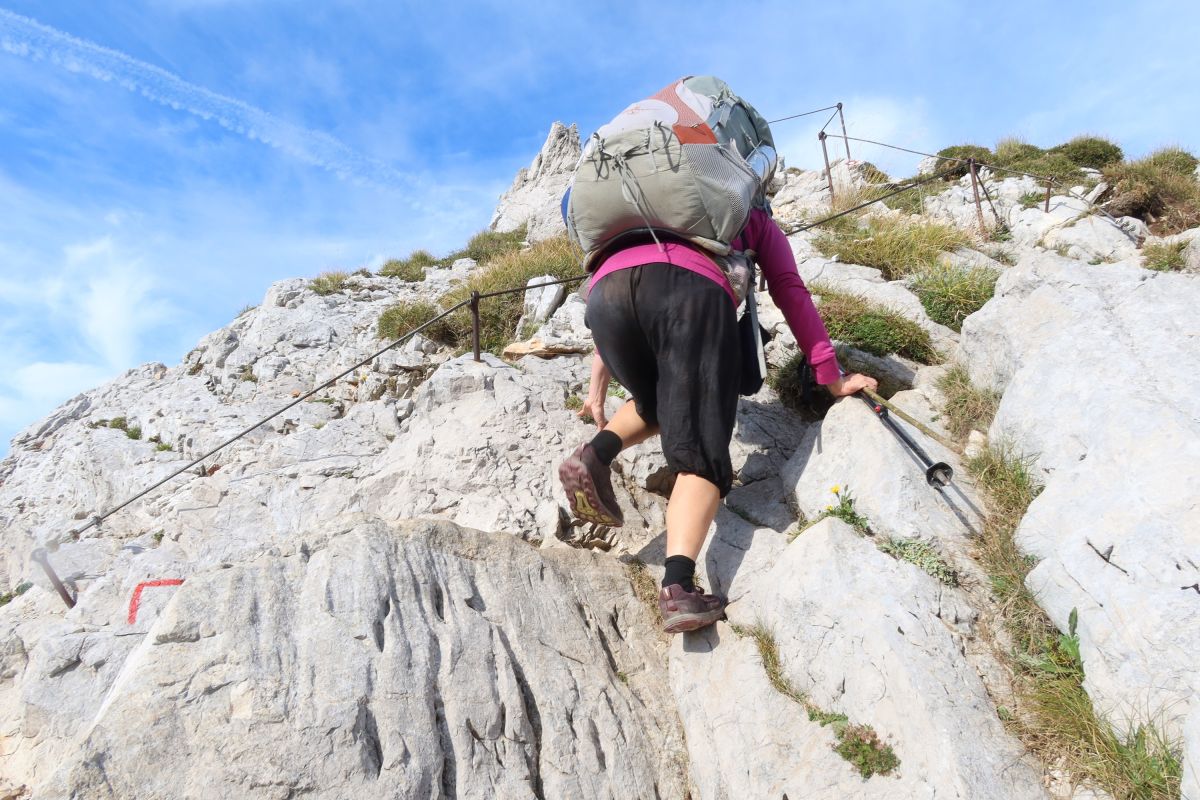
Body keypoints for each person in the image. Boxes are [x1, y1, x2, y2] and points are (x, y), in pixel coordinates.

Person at [557, 207, 878, 635]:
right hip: (688, 290)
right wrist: (830, 375)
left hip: (604, 299)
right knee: (702, 451)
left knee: (659, 400)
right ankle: (678, 587)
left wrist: (597, 388)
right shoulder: (745, 207)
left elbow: (632, 271)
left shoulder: (636, 207)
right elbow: (788, 288)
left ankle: (594, 455)